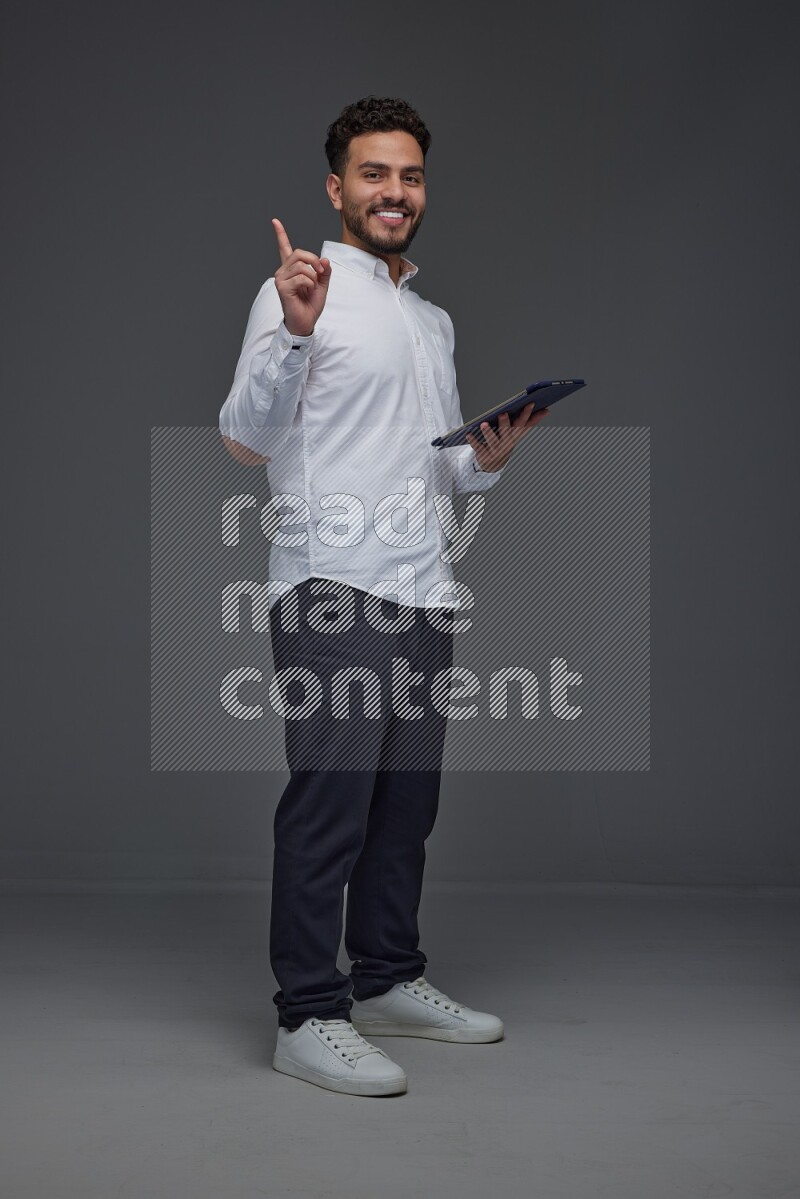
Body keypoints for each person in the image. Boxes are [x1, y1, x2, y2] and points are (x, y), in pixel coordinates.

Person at [219, 96, 548, 1097]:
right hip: (332, 589)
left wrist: (486, 457)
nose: (393, 192)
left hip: (421, 589)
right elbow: (245, 441)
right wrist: (292, 333)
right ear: (337, 188)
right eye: (373, 174)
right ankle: (306, 1014)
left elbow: (436, 470)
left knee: (405, 806)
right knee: (330, 807)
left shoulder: (430, 320)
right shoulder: (298, 293)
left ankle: (388, 977)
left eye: (408, 175)